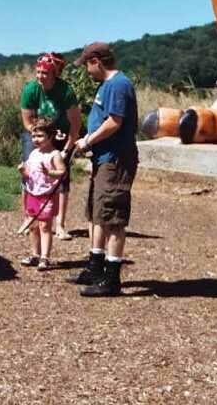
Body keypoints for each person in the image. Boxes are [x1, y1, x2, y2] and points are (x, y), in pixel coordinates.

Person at [72, 41, 138, 297]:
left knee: (112, 217)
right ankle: (95, 267)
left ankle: (111, 280)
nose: (87, 71)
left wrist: (88, 140)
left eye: (87, 65)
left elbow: (114, 122)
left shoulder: (118, 85)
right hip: (103, 158)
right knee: (98, 213)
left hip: (115, 160)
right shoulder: (107, 85)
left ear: (96, 61)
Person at [19, 52, 81, 239]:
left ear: (55, 74)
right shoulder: (31, 90)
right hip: (36, 132)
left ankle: (60, 224)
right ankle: (29, 217)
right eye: (38, 72)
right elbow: (27, 121)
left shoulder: (66, 91)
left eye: (45, 73)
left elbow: (75, 124)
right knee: (29, 174)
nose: (40, 76)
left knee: (62, 178)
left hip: (61, 133)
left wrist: (67, 149)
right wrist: (40, 136)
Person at [17, 118, 66, 270]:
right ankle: (35, 254)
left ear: (50, 136)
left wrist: (49, 172)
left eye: (40, 136)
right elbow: (30, 175)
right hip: (33, 193)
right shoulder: (33, 154)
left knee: (45, 226)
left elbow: (62, 172)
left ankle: (45, 257)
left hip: (47, 194)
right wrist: (23, 171)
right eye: (33, 136)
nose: (36, 139)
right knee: (33, 225)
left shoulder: (55, 154)